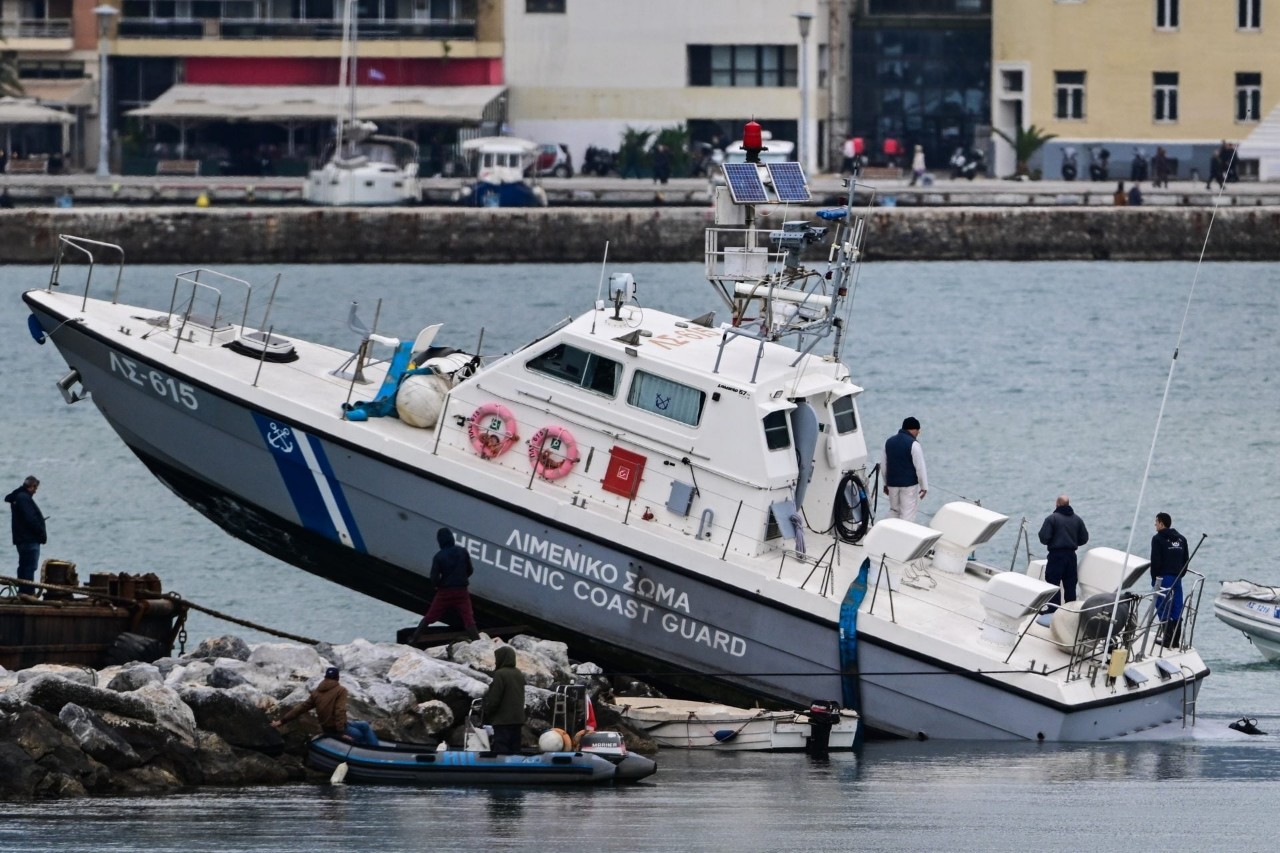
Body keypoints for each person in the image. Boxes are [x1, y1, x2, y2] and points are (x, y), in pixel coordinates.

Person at [271, 666, 379, 746]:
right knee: (359, 735)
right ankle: (375, 753)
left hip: (330, 727)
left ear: (325, 677)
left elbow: (300, 708)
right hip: (336, 729)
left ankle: (372, 748)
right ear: (337, 678)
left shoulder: (317, 692)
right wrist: (341, 734)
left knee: (364, 725)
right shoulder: (341, 690)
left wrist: (281, 721)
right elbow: (340, 711)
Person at [412, 528, 479, 642]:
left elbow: (434, 577)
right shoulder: (463, 551)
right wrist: (461, 579)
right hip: (462, 591)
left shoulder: (438, 556)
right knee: (468, 619)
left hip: (445, 592)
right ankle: (477, 642)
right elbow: (470, 570)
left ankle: (413, 640)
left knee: (430, 616)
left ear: (440, 541)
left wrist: (438, 585)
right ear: (452, 538)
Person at [1037, 495, 1089, 617]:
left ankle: (1053, 610)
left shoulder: (1052, 519)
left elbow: (1044, 537)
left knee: (1052, 581)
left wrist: (1053, 541)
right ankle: (1070, 611)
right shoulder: (1078, 519)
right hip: (1071, 556)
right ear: (1068, 504)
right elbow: (1084, 538)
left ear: (1057, 504)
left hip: (1056, 555)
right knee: (1070, 583)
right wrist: (1073, 542)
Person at [1150, 512, 1189, 645]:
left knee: (1163, 606)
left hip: (1163, 578)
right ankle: (1176, 640)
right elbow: (1186, 560)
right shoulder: (1182, 539)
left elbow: (1156, 561)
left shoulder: (1157, 539)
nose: (1155, 524)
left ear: (1161, 523)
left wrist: (1154, 579)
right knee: (1177, 606)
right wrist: (1180, 575)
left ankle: (1167, 639)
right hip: (1177, 578)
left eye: (1156, 522)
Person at [6, 476, 45, 596]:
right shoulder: (23, 498)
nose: (35, 491)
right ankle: (27, 593)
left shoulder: (18, 497)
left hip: (22, 539)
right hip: (29, 540)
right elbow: (30, 519)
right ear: (31, 486)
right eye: (35, 488)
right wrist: (40, 531)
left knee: (24, 566)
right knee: (29, 567)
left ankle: (23, 591)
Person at [882, 417, 927, 523]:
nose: (918, 433)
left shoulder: (888, 442)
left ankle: (887, 530)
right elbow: (920, 467)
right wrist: (924, 486)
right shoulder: (914, 444)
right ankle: (904, 532)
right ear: (913, 429)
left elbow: (883, 465)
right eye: (918, 430)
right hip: (909, 486)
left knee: (894, 511)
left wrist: (885, 484)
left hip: (892, 485)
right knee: (908, 513)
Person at [483, 645, 526, 755]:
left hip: (503, 720)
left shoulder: (500, 674)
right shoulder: (518, 673)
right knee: (515, 750)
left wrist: (487, 711)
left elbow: (495, 698)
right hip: (518, 719)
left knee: (501, 751)